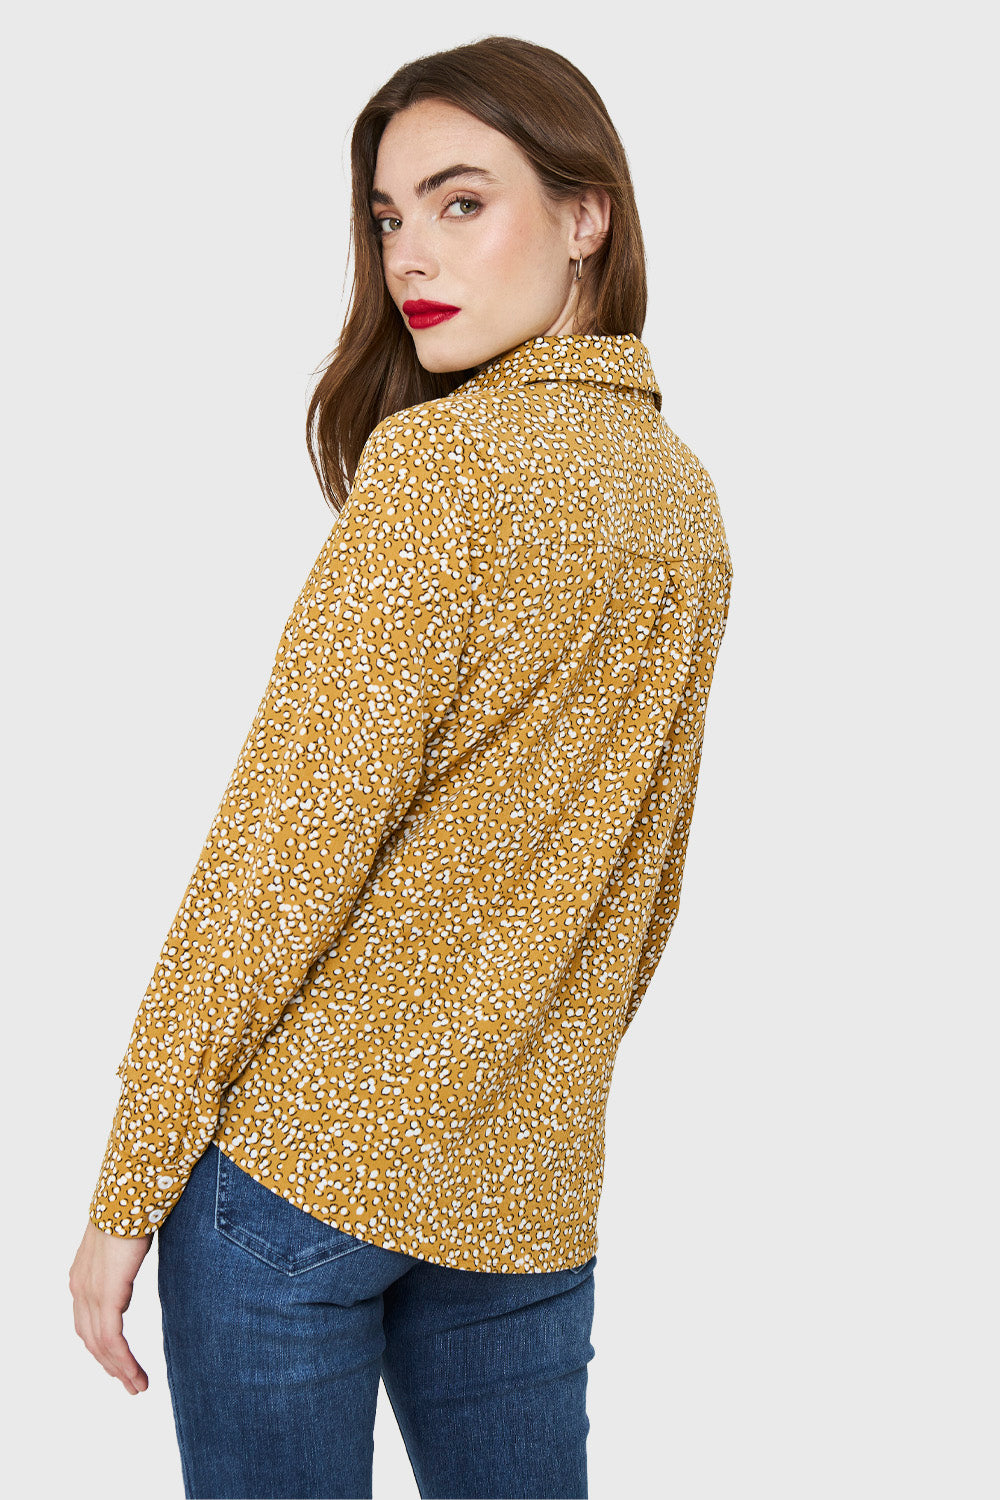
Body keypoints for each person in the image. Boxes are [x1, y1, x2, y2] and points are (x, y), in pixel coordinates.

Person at [68, 33, 733, 1500]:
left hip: (301, 1180)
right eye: (386, 217)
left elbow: (278, 858)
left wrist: (129, 1185)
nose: (409, 256)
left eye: (460, 203)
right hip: (527, 1184)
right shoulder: (683, 502)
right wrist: (524, 1082)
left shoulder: (442, 474)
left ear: (588, 215)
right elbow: (648, 892)